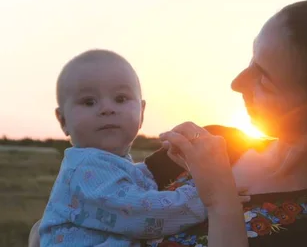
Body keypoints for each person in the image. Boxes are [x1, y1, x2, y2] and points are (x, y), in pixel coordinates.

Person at [30, 0, 307, 247]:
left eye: (263, 76)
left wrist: (220, 200)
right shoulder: (217, 145)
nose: (236, 83)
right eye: (250, 59)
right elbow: (83, 211)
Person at [38, 49, 244, 247]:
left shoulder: (110, 166)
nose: (107, 109)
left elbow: (136, 183)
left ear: (142, 112)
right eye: (89, 102)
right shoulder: (84, 170)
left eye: (120, 99)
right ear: (63, 120)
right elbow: (145, 213)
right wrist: (207, 196)